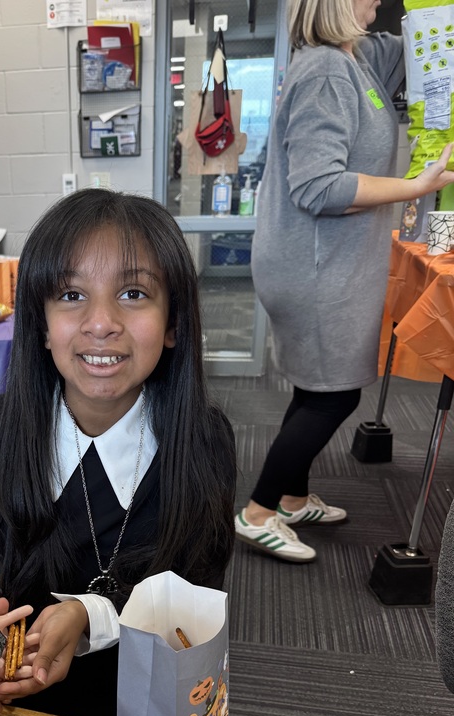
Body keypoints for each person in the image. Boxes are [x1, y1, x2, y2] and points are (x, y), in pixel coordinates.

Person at [0, 188, 236, 716]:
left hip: (149, 705)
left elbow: (196, 586)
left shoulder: (201, 444)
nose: (101, 322)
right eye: (71, 295)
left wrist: (90, 613)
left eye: (135, 293)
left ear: (172, 325)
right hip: (21, 703)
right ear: (41, 325)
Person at [237, 0, 454, 563]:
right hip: (313, 270)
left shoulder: (355, 60)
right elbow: (319, 188)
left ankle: (290, 496)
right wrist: (414, 186)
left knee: (316, 388)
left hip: (323, 265)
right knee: (334, 396)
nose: (379, 2)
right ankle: (257, 513)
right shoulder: (328, 71)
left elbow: (422, 42)